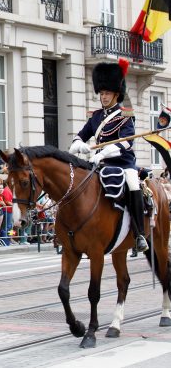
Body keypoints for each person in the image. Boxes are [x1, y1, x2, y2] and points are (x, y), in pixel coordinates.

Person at [68, 59, 148, 253]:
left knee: (132, 184)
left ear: (116, 93)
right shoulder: (95, 117)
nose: (103, 97)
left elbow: (126, 143)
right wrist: (79, 145)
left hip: (123, 163)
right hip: (100, 164)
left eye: (107, 93)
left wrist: (102, 152)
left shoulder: (125, 115)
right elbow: (80, 136)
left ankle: (139, 234)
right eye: (102, 93)